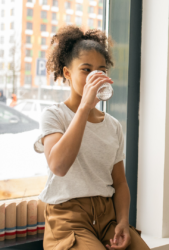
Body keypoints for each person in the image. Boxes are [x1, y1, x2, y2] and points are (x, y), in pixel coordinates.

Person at [34, 26, 150, 250]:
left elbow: (120, 183)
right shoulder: (54, 115)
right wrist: (85, 107)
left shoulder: (113, 125)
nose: (95, 77)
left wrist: (124, 223)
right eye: (86, 70)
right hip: (68, 219)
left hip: (108, 217)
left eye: (101, 70)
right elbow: (58, 166)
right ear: (68, 73)